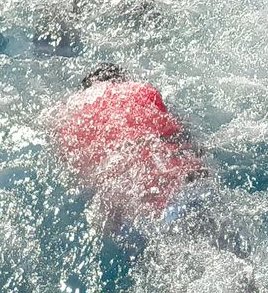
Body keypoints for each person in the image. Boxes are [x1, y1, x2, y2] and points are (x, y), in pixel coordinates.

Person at [53, 63, 253, 276]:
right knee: (237, 267)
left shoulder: (70, 121)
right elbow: (187, 138)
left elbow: (89, 188)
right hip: (191, 185)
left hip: (146, 212)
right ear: (122, 80)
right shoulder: (143, 91)